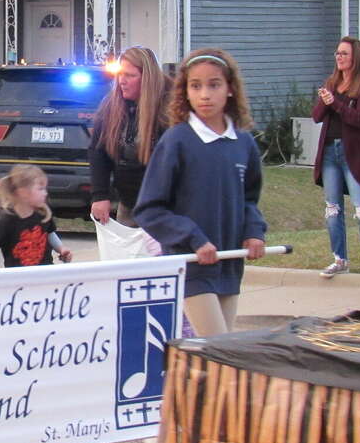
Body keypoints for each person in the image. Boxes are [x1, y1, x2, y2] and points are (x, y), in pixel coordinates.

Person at [133, 49, 266, 337]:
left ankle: (188, 381)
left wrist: (254, 232)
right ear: (186, 92)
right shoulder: (177, 140)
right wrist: (192, 238)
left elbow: (249, 200)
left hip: (229, 264)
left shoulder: (243, 142)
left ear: (230, 89)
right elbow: (149, 209)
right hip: (192, 265)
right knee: (218, 349)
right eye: (196, 86)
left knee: (219, 353)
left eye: (214, 84)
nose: (205, 94)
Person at [312, 36, 360, 279]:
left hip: (354, 153)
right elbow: (317, 116)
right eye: (337, 53)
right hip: (330, 151)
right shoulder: (332, 83)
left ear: (356, 58)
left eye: (344, 54)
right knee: (333, 208)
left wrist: (337, 104)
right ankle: (339, 258)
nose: (339, 57)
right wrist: (326, 100)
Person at [89, 46, 168, 227]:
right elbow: (97, 150)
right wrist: (100, 195)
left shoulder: (168, 108)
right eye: (120, 74)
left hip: (164, 206)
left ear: (147, 78)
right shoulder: (111, 105)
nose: (122, 81)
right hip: (128, 204)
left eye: (130, 76)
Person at [0, 165, 73, 268]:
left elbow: (49, 233)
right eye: (40, 189)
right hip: (19, 279)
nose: (45, 193)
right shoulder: (8, 220)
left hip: (45, 274)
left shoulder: (42, 214)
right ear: (23, 193)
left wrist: (61, 249)